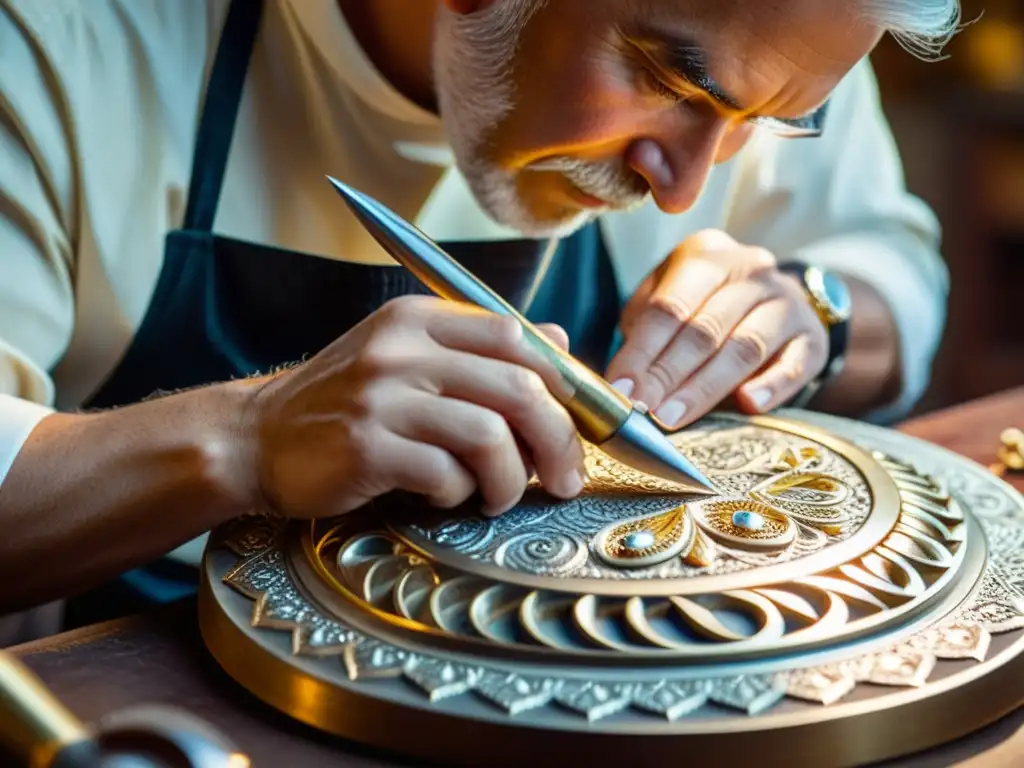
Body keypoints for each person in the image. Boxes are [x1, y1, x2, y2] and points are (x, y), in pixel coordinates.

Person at [0, 0, 955, 640]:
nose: (691, 190)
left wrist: (811, 312)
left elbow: (891, 270)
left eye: (770, 122)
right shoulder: (58, 38)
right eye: (673, 85)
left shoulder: (777, 33)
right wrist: (245, 441)